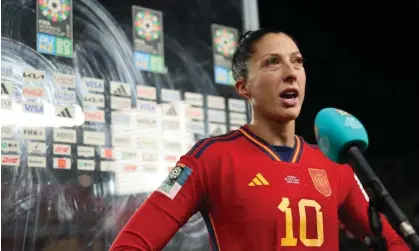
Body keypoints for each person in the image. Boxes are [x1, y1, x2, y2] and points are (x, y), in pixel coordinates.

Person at [109, 28, 409, 250]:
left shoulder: (335, 164)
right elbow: (130, 246)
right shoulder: (210, 159)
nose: (291, 72)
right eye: (272, 63)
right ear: (243, 87)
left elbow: (397, 242)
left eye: (297, 61)